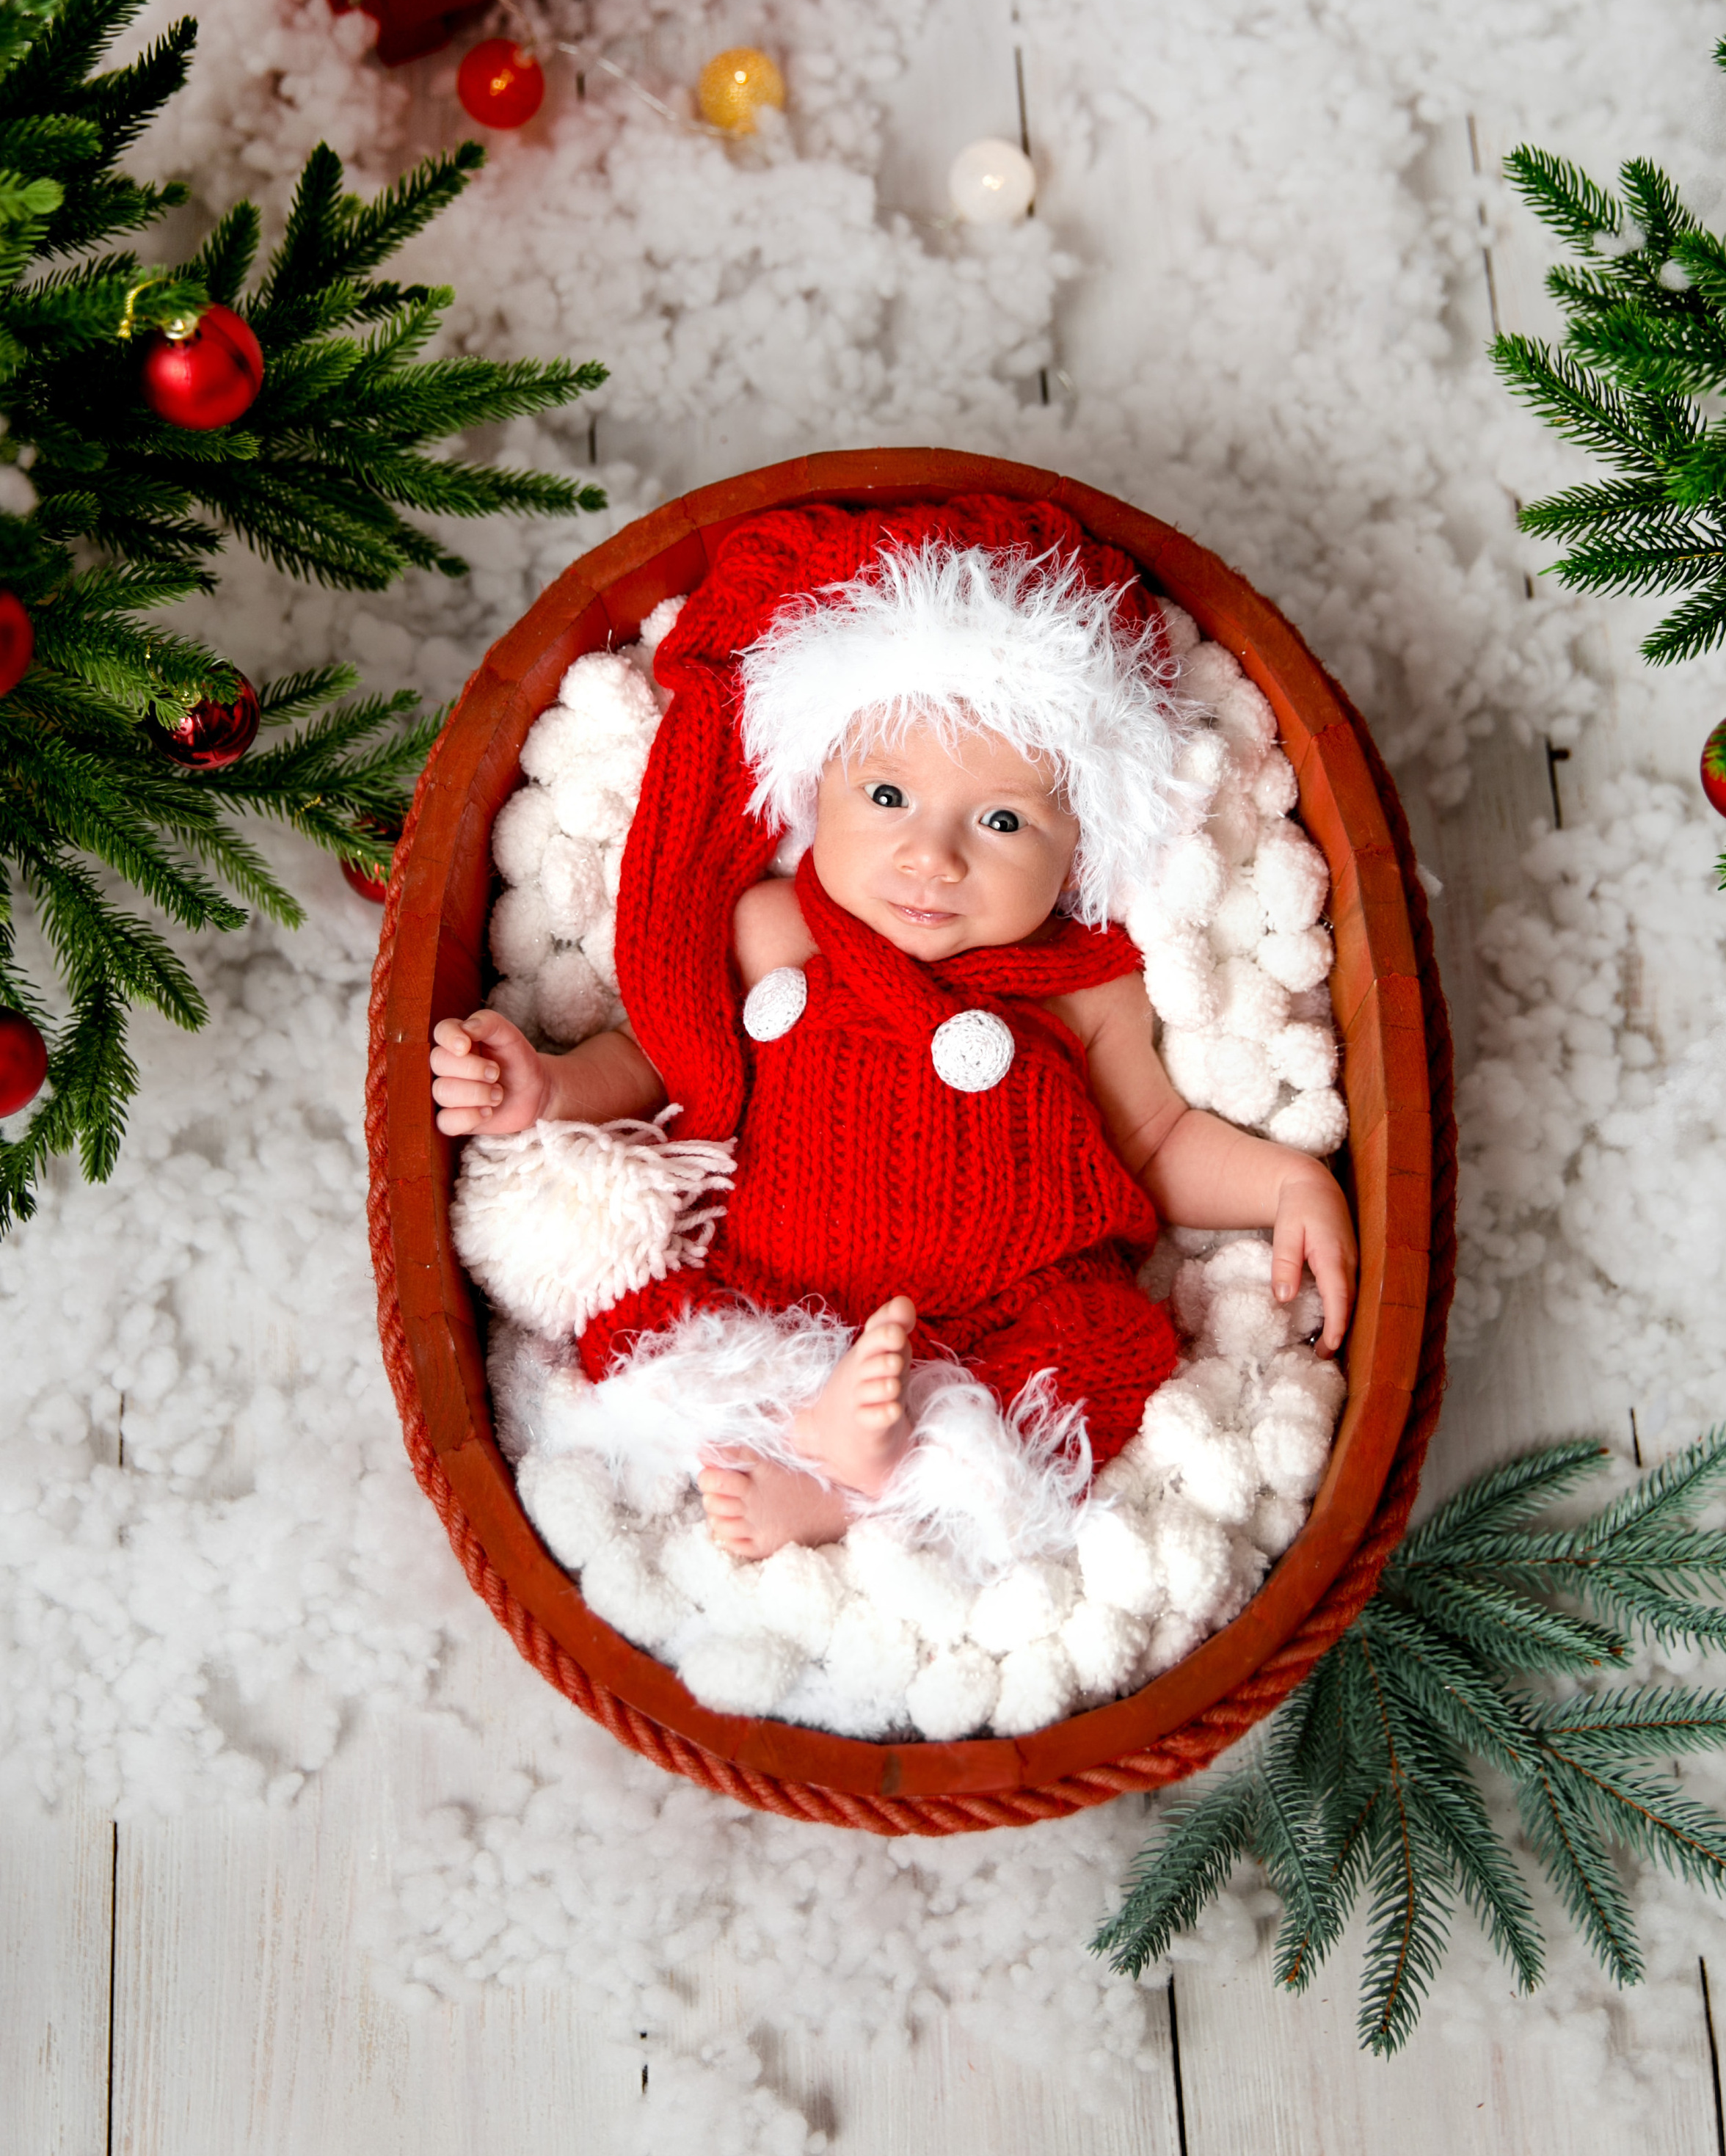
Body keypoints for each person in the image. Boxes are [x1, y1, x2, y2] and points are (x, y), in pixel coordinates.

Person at [432, 498, 1356, 1565]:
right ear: (815, 795)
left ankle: (860, 1480)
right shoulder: (775, 931)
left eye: (1003, 820)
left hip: (1013, 1302)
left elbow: (1151, 1144)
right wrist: (545, 1090)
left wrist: (1290, 1184)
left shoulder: (1084, 984)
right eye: (887, 795)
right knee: (640, 1323)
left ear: (1079, 845)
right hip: (777, 1283)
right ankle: (817, 1446)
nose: (935, 857)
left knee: (1102, 1364)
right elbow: (660, 1064)